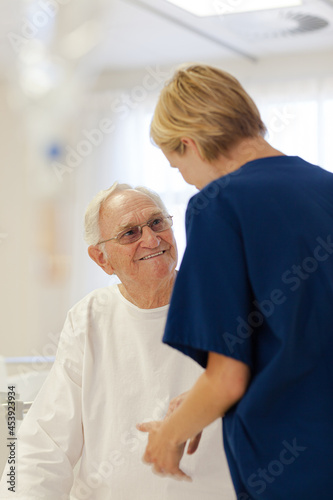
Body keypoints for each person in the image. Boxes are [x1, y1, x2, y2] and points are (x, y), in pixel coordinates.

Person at [137, 64, 333, 499]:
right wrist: (197, 400)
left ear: (189, 143)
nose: (185, 179)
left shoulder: (218, 205)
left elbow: (227, 380)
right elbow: (303, 336)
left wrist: (168, 436)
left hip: (294, 469)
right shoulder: (325, 188)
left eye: (178, 166)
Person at [0, 182, 235, 499]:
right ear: (102, 258)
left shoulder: (224, 303)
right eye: (130, 233)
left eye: (157, 223)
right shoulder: (89, 316)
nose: (151, 240)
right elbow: (44, 441)